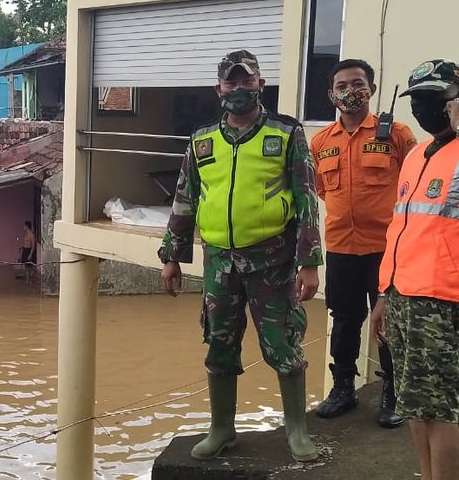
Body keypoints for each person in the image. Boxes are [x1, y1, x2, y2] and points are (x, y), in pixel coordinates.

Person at [159, 50, 322, 462]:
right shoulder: (201, 140)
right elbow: (184, 198)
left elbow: (306, 199)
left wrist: (309, 263)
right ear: (219, 89)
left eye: (246, 81)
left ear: (260, 86)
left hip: (273, 262)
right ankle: (222, 429)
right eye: (230, 83)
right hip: (220, 263)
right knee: (219, 344)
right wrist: (172, 256)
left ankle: (296, 431)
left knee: (283, 345)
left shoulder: (286, 133)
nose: (238, 89)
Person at [310, 59, 417, 427]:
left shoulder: (398, 135)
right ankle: (343, 388)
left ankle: (392, 392)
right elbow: (323, 191)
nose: (350, 91)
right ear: (331, 95)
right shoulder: (321, 142)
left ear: (370, 89)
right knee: (344, 319)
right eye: (342, 86)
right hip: (341, 246)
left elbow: (413, 185)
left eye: (357, 83)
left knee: (388, 322)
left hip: (387, 248)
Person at [370, 59, 459, 480]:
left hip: (445, 300)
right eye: (418, 99)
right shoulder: (417, 154)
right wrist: (385, 293)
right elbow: (401, 226)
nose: (424, 107)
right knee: (414, 402)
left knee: (443, 407)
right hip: (404, 295)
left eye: (435, 98)